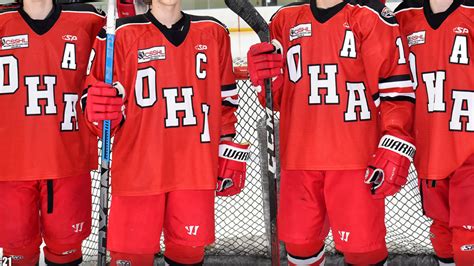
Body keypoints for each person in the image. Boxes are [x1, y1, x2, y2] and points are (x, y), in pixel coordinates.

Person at [247, 0, 415, 264]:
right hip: (299, 159)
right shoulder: (284, 19)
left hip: (355, 160)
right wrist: (266, 80)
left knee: (363, 249)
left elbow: (395, 88)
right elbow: (276, 100)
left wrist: (395, 135)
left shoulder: (370, 16)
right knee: (300, 246)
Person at [83, 0, 248, 265]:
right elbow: (98, 116)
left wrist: (226, 143)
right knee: (130, 258)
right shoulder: (118, 35)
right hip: (138, 173)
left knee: (188, 255)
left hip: (194, 171)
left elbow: (225, 102)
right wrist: (99, 111)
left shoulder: (213, 31)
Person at [0, 0, 104, 265]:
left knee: (67, 250)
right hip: (9, 167)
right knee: (18, 249)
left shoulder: (89, 20)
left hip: (66, 161)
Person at [395, 0, 474, 265]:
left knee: (468, 239)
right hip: (429, 147)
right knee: (441, 234)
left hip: (470, 146)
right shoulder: (403, 16)